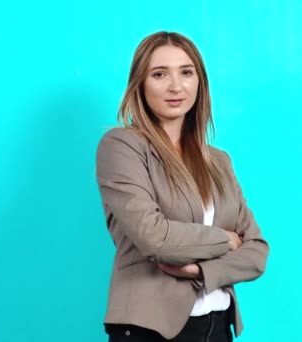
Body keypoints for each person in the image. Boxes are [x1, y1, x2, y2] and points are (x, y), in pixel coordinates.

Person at [95, 31, 269, 342]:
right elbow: (154, 237)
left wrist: (202, 271)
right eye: (159, 74)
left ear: (199, 81)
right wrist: (227, 240)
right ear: (140, 83)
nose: (176, 86)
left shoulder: (219, 161)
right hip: (150, 328)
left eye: (186, 72)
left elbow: (257, 252)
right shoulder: (122, 146)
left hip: (218, 327)